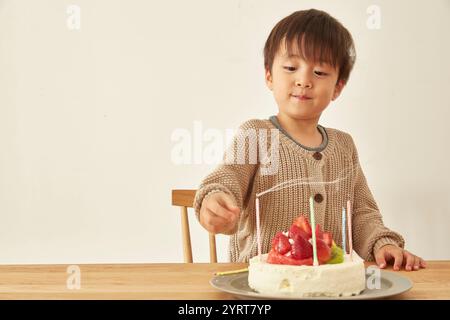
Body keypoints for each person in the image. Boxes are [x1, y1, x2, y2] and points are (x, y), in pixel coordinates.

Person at [193, 9, 426, 271]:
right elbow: (227, 178)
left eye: (319, 72)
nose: (303, 80)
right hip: (259, 286)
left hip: (330, 288)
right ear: (269, 75)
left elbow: (362, 214)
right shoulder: (255, 135)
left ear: (338, 87)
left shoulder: (344, 146)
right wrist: (215, 200)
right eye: (291, 68)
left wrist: (383, 244)